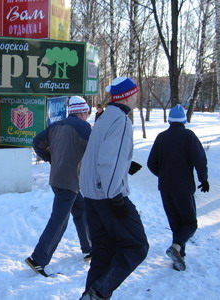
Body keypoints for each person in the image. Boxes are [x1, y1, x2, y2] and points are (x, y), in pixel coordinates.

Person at [79, 77, 149, 299]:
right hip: (108, 196)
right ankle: (99, 292)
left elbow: (99, 155)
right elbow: (108, 162)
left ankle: (89, 296)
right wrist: (116, 197)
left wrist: (126, 164)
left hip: (91, 195)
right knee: (137, 246)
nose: (137, 97)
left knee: (104, 252)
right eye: (136, 93)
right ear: (129, 95)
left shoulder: (104, 117)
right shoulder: (121, 120)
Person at [25, 96, 92, 277]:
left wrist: (51, 158)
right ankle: (38, 259)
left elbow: (37, 143)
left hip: (58, 179)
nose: (87, 115)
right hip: (69, 181)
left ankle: (89, 248)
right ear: (82, 111)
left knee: (81, 210)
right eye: (86, 112)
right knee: (59, 221)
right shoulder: (84, 128)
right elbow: (94, 150)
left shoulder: (56, 125)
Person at [147, 104, 209, 271]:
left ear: (170, 120)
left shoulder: (161, 137)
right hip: (183, 187)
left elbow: (151, 163)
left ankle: (179, 258)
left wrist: (164, 175)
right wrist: (203, 179)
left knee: (176, 223)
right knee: (190, 223)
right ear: (184, 120)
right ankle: (177, 248)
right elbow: (200, 160)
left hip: (165, 187)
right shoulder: (189, 136)